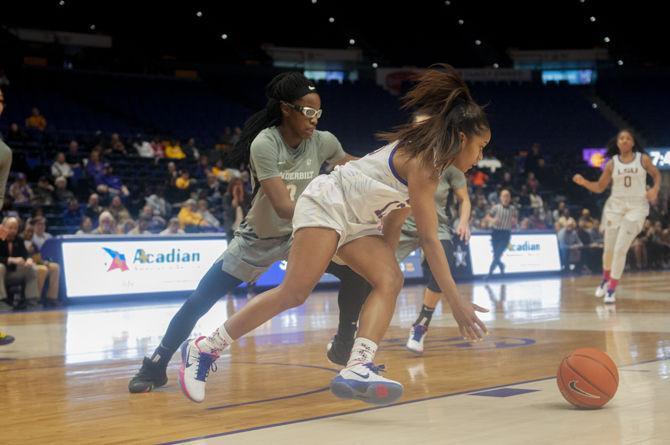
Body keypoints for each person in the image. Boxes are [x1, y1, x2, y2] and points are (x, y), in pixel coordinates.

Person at [177, 64, 490, 406]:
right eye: (481, 146)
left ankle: (358, 365)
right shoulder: (426, 163)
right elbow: (430, 240)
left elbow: (398, 214)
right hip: (328, 202)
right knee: (294, 293)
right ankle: (205, 348)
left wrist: (380, 265)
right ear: (462, 138)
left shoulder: (431, 163)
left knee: (390, 279)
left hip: (359, 222)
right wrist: (457, 304)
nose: (481, 156)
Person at [128, 71, 364, 394]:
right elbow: (282, 206)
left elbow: (354, 168)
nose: (314, 120)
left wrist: (390, 168)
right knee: (201, 299)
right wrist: (330, 216)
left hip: (301, 235)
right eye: (309, 113)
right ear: (287, 109)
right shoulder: (265, 143)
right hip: (260, 237)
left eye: (318, 113)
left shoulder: (324, 142)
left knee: (360, 274)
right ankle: (155, 364)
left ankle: (343, 343)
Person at [573, 129, 661, 303]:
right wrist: (583, 183)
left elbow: (656, 174)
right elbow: (599, 187)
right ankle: (605, 279)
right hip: (615, 207)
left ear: (633, 143)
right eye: (622, 138)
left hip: (636, 208)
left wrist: (655, 188)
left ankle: (611, 290)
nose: (625, 140)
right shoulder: (612, 163)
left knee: (621, 249)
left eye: (628, 138)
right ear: (618, 143)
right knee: (609, 249)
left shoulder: (642, 159)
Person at [484, 189, 517, 277]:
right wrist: (493, 220)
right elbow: (487, 217)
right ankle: (501, 266)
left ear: (510, 198)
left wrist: (514, 221)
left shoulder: (513, 209)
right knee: (496, 254)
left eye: (507, 196)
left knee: (498, 253)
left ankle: (490, 273)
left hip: (506, 234)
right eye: (504, 196)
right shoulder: (496, 207)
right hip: (495, 233)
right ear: (500, 198)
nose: (506, 198)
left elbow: (515, 220)